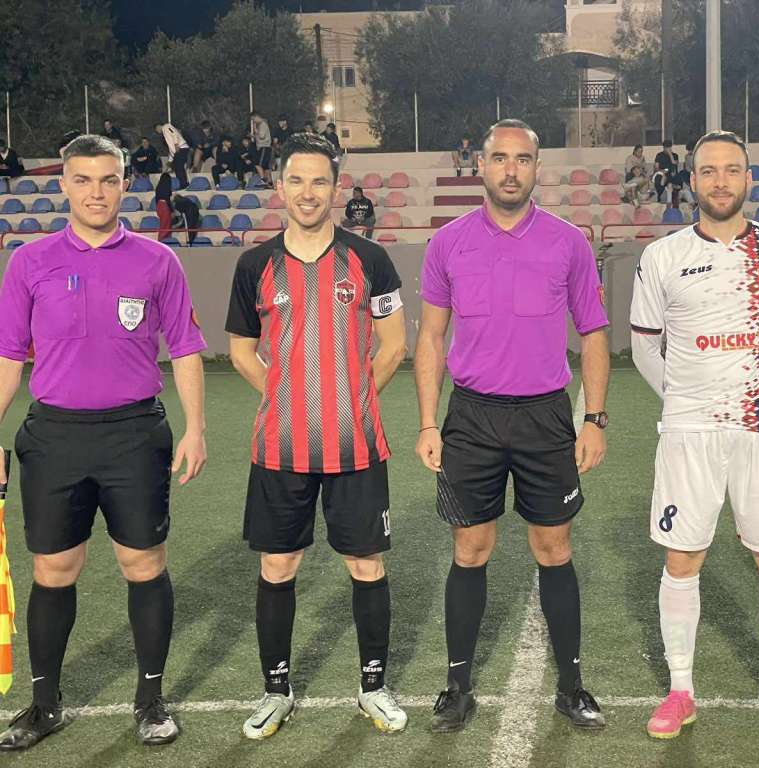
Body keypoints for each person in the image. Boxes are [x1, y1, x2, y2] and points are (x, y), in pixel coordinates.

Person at [0, 135, 207, 750]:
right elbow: (8, 356)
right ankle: (44, 705)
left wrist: (196, 427)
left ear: (124, 184)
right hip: (54, 436)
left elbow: (186, 348)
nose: (96, 192)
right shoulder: (28, 262)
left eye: (109, 180)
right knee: (53, 569)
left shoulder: (157, 262)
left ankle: (150, 701)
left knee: (143, 564)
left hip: (134, 435)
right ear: (64, 185)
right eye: (84, 180)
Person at [415, 118, 610, 733]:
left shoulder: (568, 243)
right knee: (470, 549)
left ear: (536, 168)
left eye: (522, 160)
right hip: (471, 417)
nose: (510, 170)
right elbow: (432, 337)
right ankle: (457, 687)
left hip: (545, 416)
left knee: (554, 548)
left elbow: (594, 333)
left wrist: (594, 418)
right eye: (500, 158)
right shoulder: (448, 243)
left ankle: (572, 687)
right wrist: (428, 422)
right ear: (481, 165)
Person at [630, 130, 759, 746]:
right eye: (708, 170)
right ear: (692, 180)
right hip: (689, 431)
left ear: (747, 178)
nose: (720, 181)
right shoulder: (661, 256)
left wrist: (758, 395)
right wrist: (688, 401)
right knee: (682, 558)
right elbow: (644, 347)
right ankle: (680, 690)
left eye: (731, 170)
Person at [226, 132, 408, 739]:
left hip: (356, 444)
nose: (308, 192)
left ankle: (373, 687)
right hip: (279, 447)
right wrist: (288, 397)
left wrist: (350, 400)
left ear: (335, 189)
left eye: (320, 181)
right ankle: (275, 690)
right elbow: (241, 351)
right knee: (278, 563)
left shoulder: (371, 259)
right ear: (280, 187)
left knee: (366, 563)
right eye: (297, 181)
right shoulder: (254, 265)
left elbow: (394, 345)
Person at [154, 122, 190, 188]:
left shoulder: (166, 126)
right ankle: (182, 183)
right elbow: (171, 150)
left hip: (181, 147)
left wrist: (176, 144)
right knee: (177, 167)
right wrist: (170, 161)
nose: (158, 132)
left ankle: (183, 184)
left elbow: (174, 133)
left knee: (179, 167)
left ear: (158, 126)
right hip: (178, 150)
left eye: (156, 130)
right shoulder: (165, 134)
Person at [653, 140, 685, 205]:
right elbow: (656, 167)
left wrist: (670, 155)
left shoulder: (675, 155)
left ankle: (677, 197)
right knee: (659, 178)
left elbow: (674, 163)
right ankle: (660, 196)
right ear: (663, 147)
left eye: (669, 147)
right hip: (662, 173)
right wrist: (662, 171)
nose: (668, 149)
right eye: (666, 147)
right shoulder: (659, 155)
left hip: (672, 173)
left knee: (679, 178)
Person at [250, 112, 273, 186]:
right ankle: (269, 183)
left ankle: (263, 180)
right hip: (266, 147)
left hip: (264, 147)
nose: (254, 121)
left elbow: (261, 136)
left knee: (257, 164)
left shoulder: (262, 124)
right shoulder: (264, 124)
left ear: (256, 117)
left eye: (253, 119)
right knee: (266, 167)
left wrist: (255, 131)